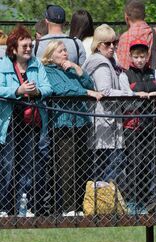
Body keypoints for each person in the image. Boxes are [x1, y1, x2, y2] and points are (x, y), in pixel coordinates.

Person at [0, 25, 52, 217]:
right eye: (24, 46)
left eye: (30, 45)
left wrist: (37, 92)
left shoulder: (37, 64)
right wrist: (18, 91)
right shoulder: (3, 65)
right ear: (13, 49)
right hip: (9, 123)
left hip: (31, 123)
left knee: (28, 166)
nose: (28, 49)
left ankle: (24, 207)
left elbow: (48, 87)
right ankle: (5, 208)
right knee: (8, 165)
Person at [42, 40, 101, 216]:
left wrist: (77, 68)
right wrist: (85, 93)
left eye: (65, 50)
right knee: (66, 166)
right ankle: (68, 207)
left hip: (81, 122)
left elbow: (89, 84)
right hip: (63, 124)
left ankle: (80, 205)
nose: (65, 54)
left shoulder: (70, 70)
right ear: (51, 55)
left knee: (81, 165)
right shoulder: (48, 71)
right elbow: (62, 89)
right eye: (60, 51)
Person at [118, 40, 156, 213]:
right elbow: (126, 94)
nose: (140, 60)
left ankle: (151, 200)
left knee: (154, 161)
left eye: (142, 56)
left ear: (147, 56)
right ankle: (133, 202)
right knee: (136, 163)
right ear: (130, 57)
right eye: (136, 57)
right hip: (133, 126)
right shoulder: (125, 75)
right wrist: (137, 95)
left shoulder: (154, 73)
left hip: (152, 126)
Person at [82, 25, 132, 184]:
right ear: (98, 45)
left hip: (107, 123)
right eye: (107, 44)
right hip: (104, 124)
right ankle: (101, 203)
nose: (112, 47)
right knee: (110, 167)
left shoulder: (109, 61)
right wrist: (129, 95)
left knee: (110, 167)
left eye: (114, 43)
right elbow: (105, 91)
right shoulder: (101, 64)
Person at [116, 0, 156, 70]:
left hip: (132, 80)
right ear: (144, 16)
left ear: (126, 17)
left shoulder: (125, 38)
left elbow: (123, 67)